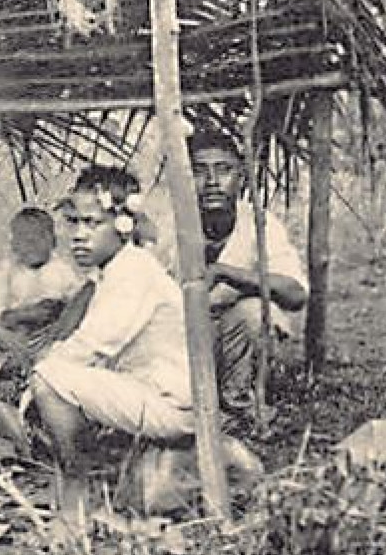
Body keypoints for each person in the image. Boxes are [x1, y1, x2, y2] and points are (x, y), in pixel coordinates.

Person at [27, 166, 258, 505]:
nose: (78, 235)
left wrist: (34, 380)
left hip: (171, 407)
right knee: (55, 376)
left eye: (92, 223)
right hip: (150, 395)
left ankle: (78, 489)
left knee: (48, 379)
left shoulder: (133, 271)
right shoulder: (114, 270)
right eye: (73, 222)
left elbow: (92, 344)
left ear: (124, 227)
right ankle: (102, 473)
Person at [189, 127, 309, 411]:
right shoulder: (172, 224)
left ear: (241, 176)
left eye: (223, 170)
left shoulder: (259, 223)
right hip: (185, 346)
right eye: (200, 171)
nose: (212, 182)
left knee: (253, 311)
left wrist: (225, 272)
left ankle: (239, 403)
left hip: (238, 344)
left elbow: (295, 294)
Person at [0, 206, 85, 343]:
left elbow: (79, 300)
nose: (30, 243)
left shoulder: (63, 270)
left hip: (49, 334)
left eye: (38, 236)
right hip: (13, 330)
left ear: (53, 241)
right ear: (13, 244)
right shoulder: (6, 270)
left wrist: (59, 309)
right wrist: (19, 315)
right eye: (23, 237)